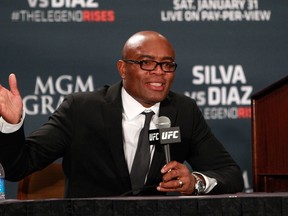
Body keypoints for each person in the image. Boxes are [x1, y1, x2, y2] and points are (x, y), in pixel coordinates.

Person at [0, 31, 244, 198]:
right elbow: (17, 167)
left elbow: (231, 175)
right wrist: (11, 125)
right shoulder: (81, 109)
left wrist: (195, 183)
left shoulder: (183, 110)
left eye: (167, 64)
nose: (160, 72)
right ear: (123, 68)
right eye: (147, 63)